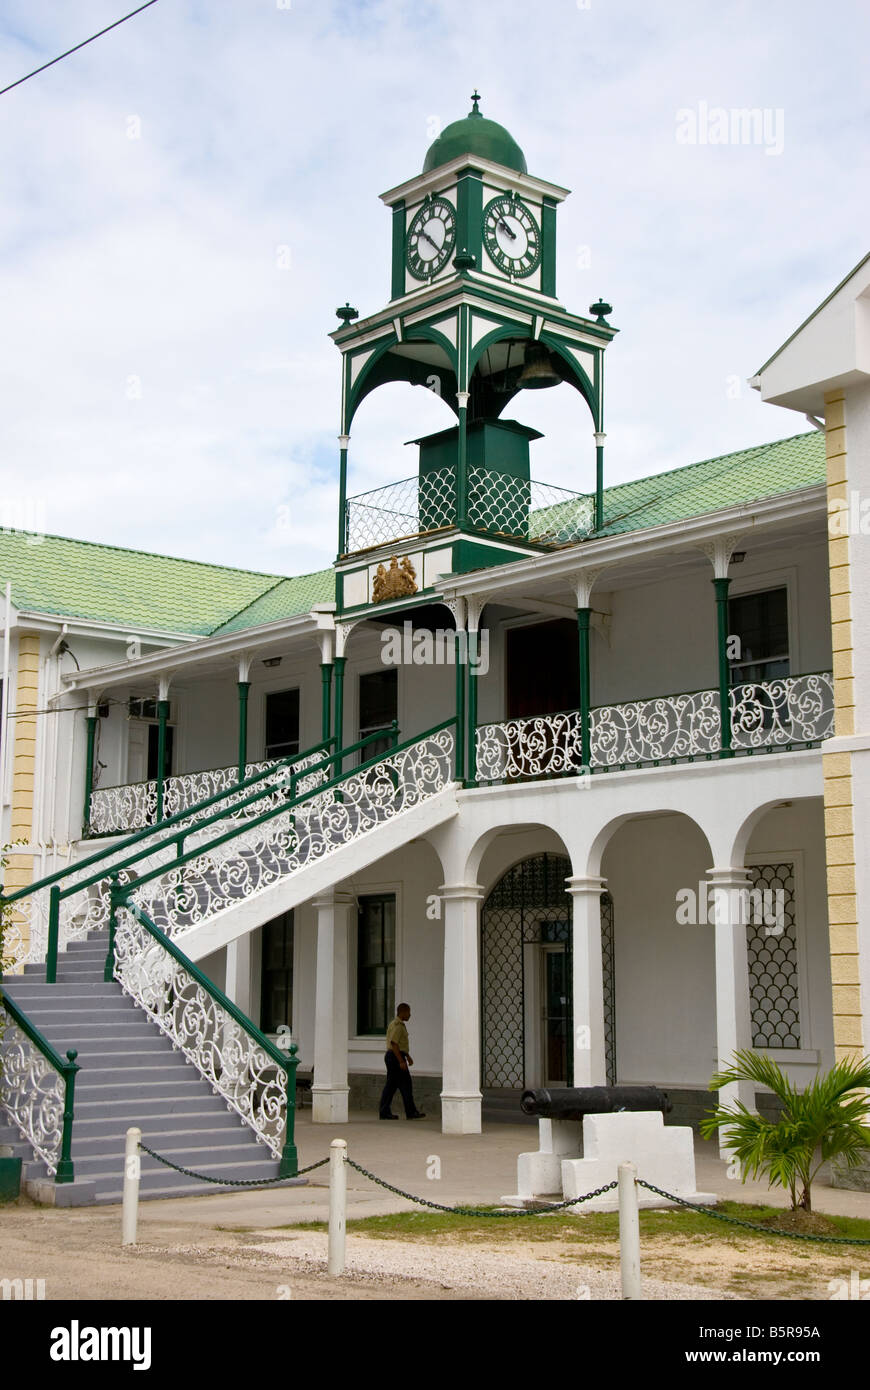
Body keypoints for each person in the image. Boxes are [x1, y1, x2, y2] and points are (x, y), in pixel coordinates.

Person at [379, 1003, 426, 1120]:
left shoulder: (395, 1024)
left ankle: (385, 1112)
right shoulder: (398, 1026)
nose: (410, 1015)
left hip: (395, 1056)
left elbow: (399, 1045)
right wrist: (401, 1061)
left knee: (392, 1086)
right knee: (405, 1085)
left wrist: (407, 1057)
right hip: (395, 1057)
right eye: (408, 1012)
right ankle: (410, 1112)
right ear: (403, 1012)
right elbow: (394, 1044)